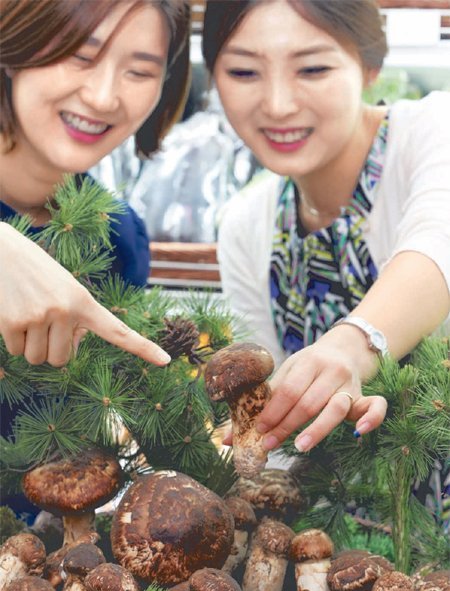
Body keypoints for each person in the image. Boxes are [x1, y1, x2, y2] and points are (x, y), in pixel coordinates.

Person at [202, 0, 450, 457]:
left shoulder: (435, 129)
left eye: (313, 69)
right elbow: (272, 416)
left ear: (370, 66)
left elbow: (437, 244)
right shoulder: (245, 225)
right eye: (243, 72)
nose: (278, 105)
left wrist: (351, 347)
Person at [0, 0, 190, 368]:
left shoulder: (119, 237)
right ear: (14, 46)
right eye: (80, 56)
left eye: (139, 72)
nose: (102, 98)